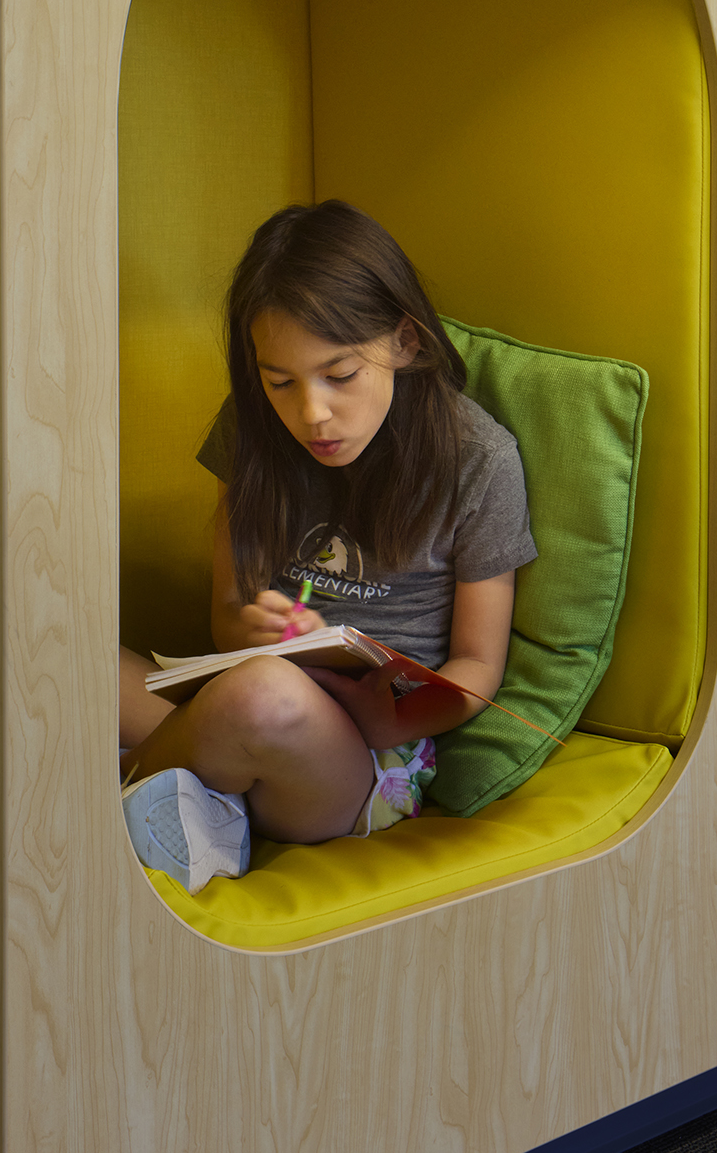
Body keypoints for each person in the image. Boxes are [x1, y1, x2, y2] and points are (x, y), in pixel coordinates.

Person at [119, 200, 534, 893]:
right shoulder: (254, 430)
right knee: (51, 652)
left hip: (361, 760)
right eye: (280, 381)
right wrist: (249, 626)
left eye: (339, 375)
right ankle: (207, 803)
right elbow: (228, 613)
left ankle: (103, 792)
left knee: (263, 697)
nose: (311, 413)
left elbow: (478, 665)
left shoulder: (479, 461)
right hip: (233, 704)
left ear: (405, 341)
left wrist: (389, 717)